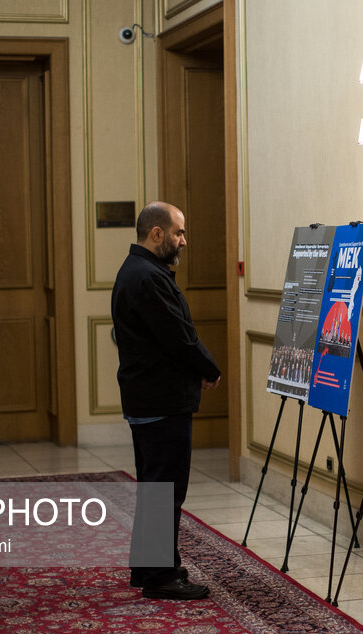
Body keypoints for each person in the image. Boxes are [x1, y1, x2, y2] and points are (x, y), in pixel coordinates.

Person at [111, 201, 221, 600]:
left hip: (149, 397)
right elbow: (178, 336)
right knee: (165, 487)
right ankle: (160, 576)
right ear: (156, 233)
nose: (184, 241)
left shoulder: (139, 271)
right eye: (179, 233)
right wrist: (210, 368)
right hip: (160, 399)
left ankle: (149, 565)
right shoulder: (148, 277)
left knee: (155, 484)